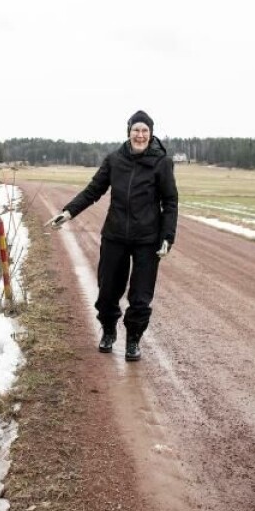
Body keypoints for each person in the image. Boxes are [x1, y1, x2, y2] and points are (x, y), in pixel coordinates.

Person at [47, 110, 178, 361]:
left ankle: (133, 340)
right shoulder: (114, 160)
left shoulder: (162, 163)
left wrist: (167, 236)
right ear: (128, 131)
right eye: (136, 130)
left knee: (140, 296)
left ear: (151, 134)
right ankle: (108, 331)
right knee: (107, 291)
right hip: (115, 235)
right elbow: (93, 190)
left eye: (145, 131)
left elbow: (170, 202)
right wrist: (68, 211)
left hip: (147, 240)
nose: (140, 135)